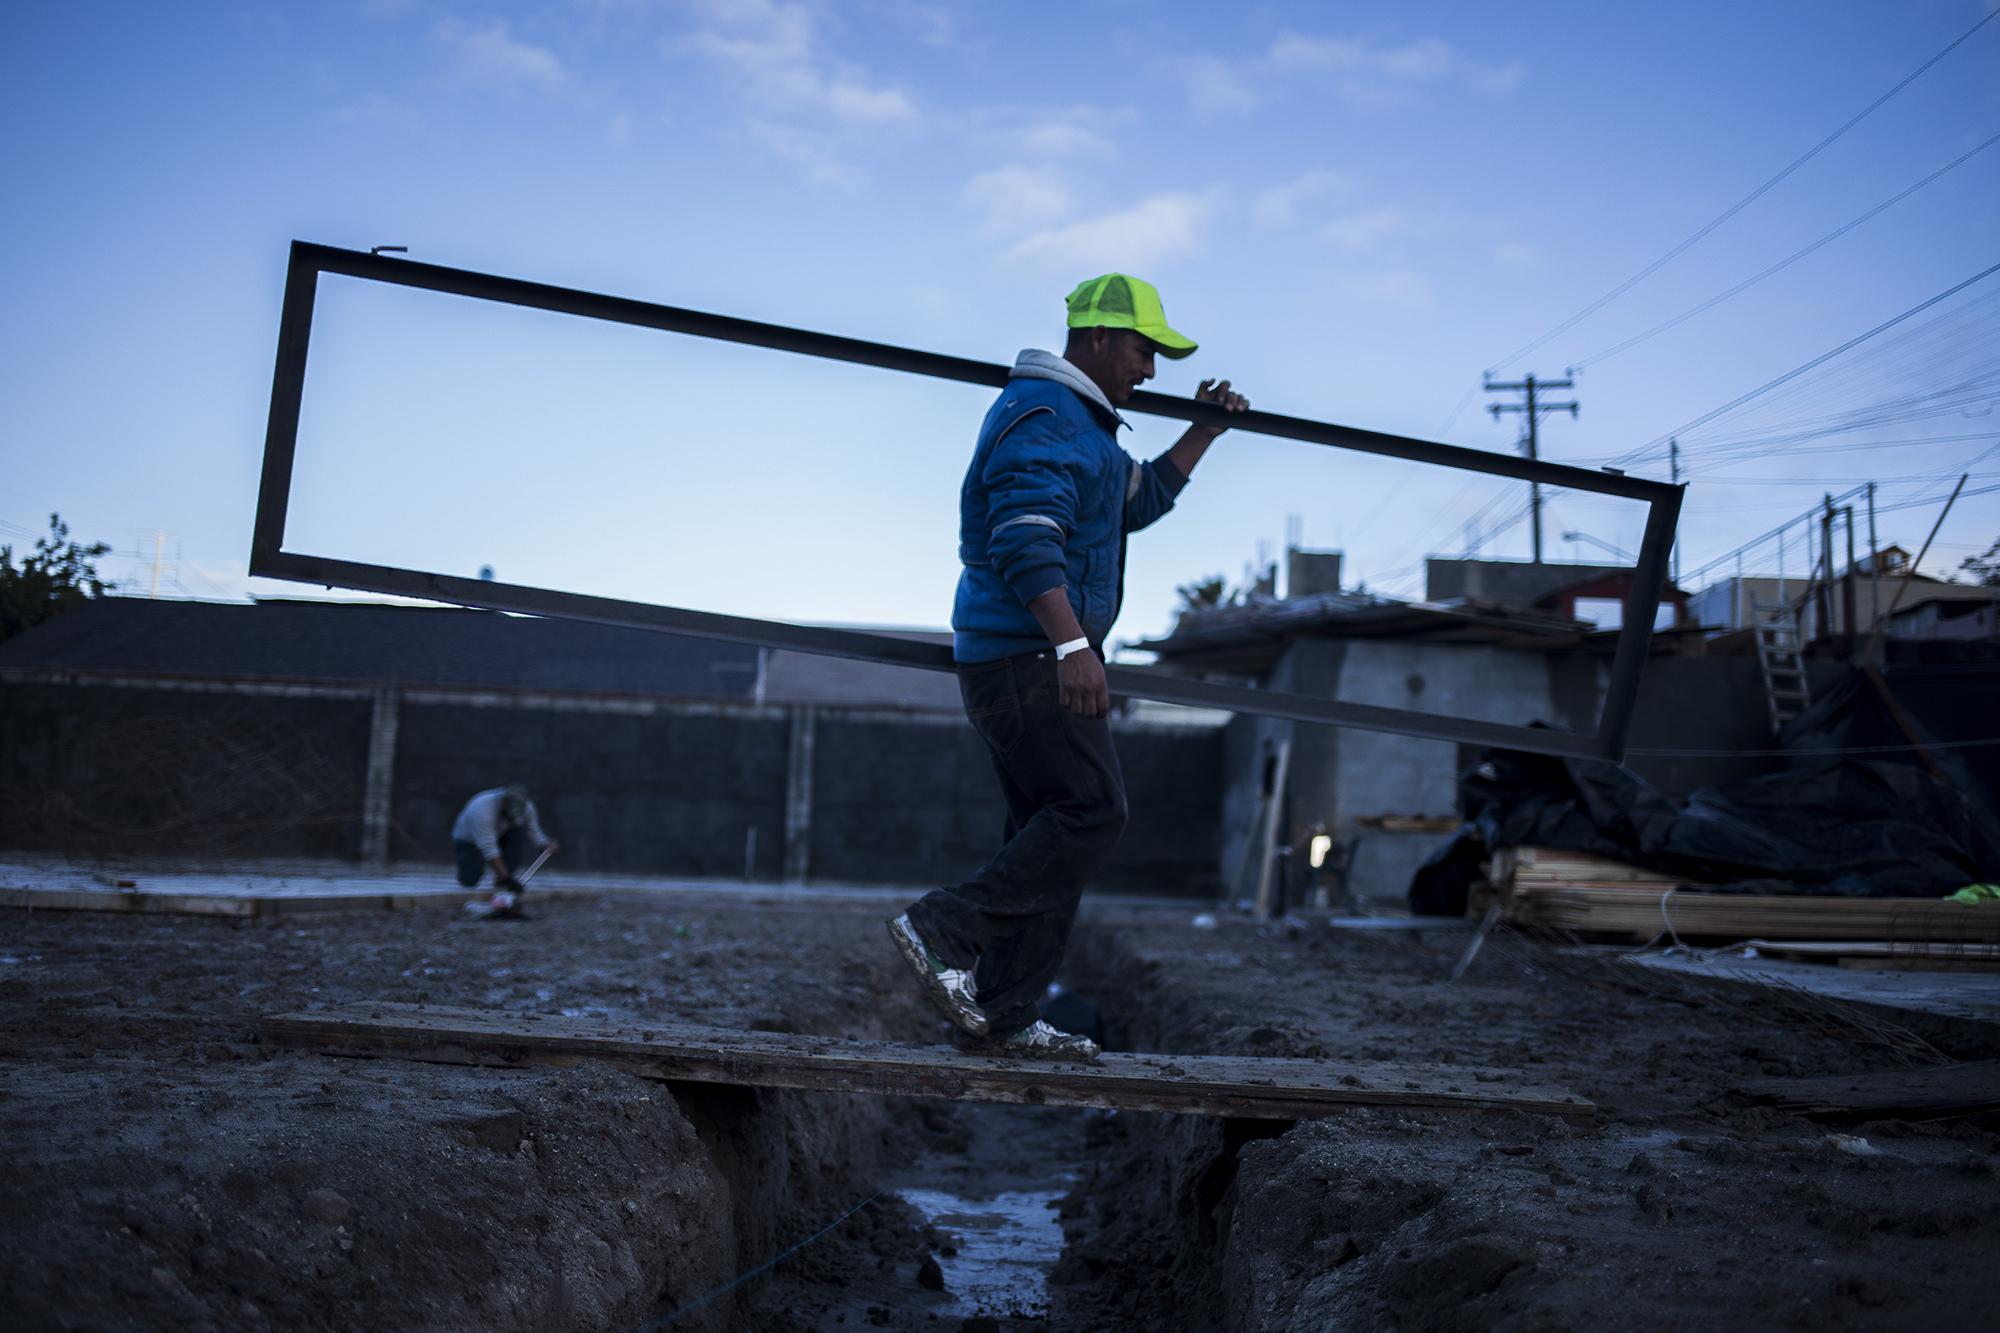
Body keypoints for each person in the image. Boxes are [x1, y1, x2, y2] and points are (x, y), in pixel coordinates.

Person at [888, 273, 1248, 1059]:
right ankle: (943, 926)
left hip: (1028, 655)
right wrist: (1072, 645)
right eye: (1143, 349)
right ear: (1096, 338)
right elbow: (1024, 532)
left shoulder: (1089, 429)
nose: (1150, 370)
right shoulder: (1047, 415)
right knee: (1093, 812)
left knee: (1050, 829)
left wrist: (1204, 433)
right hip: (1027, 658)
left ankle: (1005, 1013)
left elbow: (1138, 501)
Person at [452, 784, 557, 919]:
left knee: (517, 834)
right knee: (469, 880)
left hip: (502, 835)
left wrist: (544, 844)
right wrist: (505, 877)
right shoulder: (482, 809)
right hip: (469, 840)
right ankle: (501, 876)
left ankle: (501, 882)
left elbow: (533, 829)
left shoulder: (526, 807)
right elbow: (488, 847)